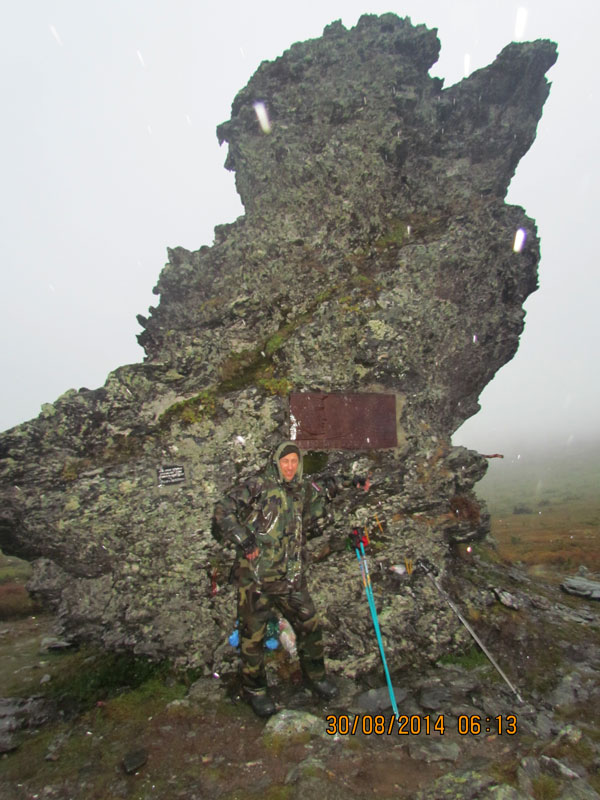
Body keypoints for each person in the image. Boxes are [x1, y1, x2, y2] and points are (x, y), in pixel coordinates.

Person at [213, 441, 368, 717]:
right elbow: (223, 509)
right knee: (252, 637)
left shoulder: (302, 489)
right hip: (256, 579)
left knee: (309, 622)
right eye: (285, 461)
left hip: (290, 577)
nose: (290, 467)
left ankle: (316, 677)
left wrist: (353, 481)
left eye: (294, 461)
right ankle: (255, 691)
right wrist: (243, 538)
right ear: (276, 462)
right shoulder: (258, 485)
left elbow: (327, 485)